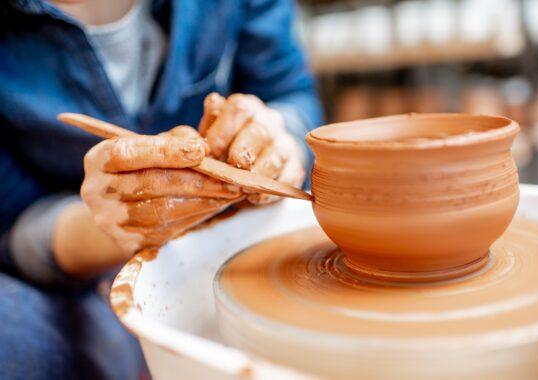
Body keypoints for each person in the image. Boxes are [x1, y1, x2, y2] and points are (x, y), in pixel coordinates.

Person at [0, 0, 322, 378]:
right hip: (68, 273)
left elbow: (292, 93)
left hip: (231, 249)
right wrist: (108, 230)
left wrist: (280, 139)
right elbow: (10, 224)